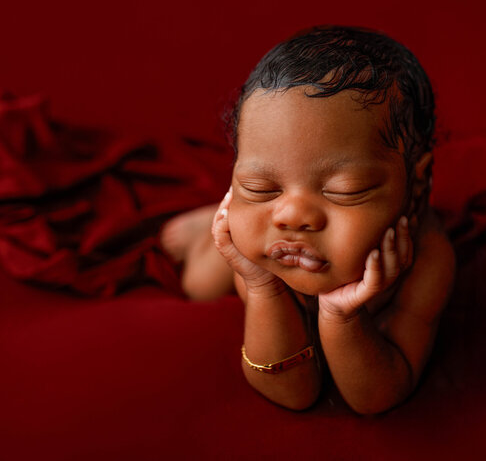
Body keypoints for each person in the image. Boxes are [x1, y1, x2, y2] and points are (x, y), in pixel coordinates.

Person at [160, 25, 456, 414]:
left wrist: (340, 316)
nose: (291, 216)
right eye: (260, 187)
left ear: (416, 189)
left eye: (344, 190)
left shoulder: (427, 261)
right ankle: (212, 219)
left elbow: (376, 396)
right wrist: (263, 287)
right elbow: (292, 392)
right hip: (255, 252)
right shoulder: (264, 253)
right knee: (199, 284)